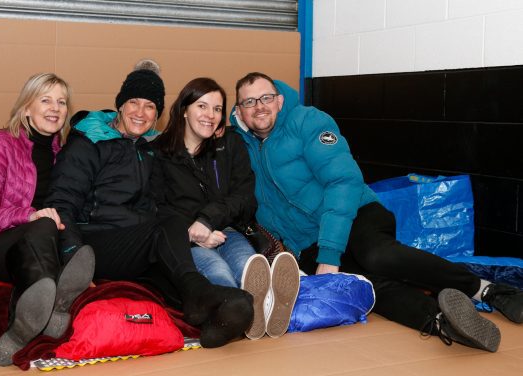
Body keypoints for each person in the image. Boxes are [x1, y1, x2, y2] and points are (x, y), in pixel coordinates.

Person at [230, 72, 523, 352]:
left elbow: (342, 182)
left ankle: (487, 290)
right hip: (306, 242)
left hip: (356, 214)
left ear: (279, 100)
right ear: (239, 112)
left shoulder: (308, 121)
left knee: (378, 256)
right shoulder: (238, 146)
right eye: (249, 102)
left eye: (266, 97)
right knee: (367, 286)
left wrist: (330, 254)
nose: (259, 107)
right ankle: (445, 323)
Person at [44, 61, 253, 348]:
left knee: (168, 276)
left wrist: (218, 128)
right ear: (120, 105)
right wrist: (74, 256)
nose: (140, 113)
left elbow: (174, 171)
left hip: (133, 243)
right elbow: (61, 202)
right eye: (133, 102)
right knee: (170, 225)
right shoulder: (88, 143)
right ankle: (200, 294)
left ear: (158, 115)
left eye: (150, 106)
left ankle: (212, 314)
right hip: (93, 242)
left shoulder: (149, 149)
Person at [0, 73, 95, 366]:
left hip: (41, 241)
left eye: (61, 102)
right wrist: (28, 215)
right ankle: (27, 318)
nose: (55, 108)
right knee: (44, 223)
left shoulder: (64, 155)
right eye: (45, 100)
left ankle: (42, 311)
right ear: (26, 107)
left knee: (64, 230)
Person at [151, 77, 300, 340]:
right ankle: (242, 312)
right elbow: (155, 206)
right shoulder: (159, 153)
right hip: (186, 240)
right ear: (184, 109)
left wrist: (208, 220)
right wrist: (193, 230)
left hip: (228, 230)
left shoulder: (229, 144)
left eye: (217, 109)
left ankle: (267, 306)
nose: (210, 115)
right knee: (219, 274)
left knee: (247, 265)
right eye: (202, 106)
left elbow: (244, 196)